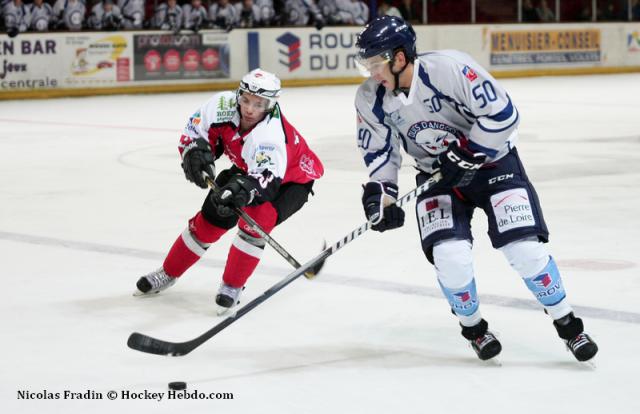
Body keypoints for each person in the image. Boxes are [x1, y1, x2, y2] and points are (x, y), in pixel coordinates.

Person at [353, 16, 598, 362]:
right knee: (450, 259)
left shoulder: (449, 69)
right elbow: (380, 152)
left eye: (376, 63)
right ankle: (475, 329)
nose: (372, 72)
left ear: (400, 57)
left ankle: (569, 324)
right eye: (367, 64)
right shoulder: (370, 97)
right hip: (438, 177)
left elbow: (503, 113)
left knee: (524, 250)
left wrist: (469, 152)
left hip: (494, 164)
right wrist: (382, 195)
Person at [135, 69, 324, 314]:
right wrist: (195, 153)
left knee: (256, 220)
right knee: (212, 217)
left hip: (291, 180)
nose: (249, 109)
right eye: (245, 99)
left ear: (271, 104)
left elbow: (266, 180)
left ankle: (232, 286)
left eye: (259, 104)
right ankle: (168, 272)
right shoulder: (221, 104)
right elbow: (195, 132)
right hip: (249, 168)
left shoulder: (271, 134)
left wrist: (244, 191)